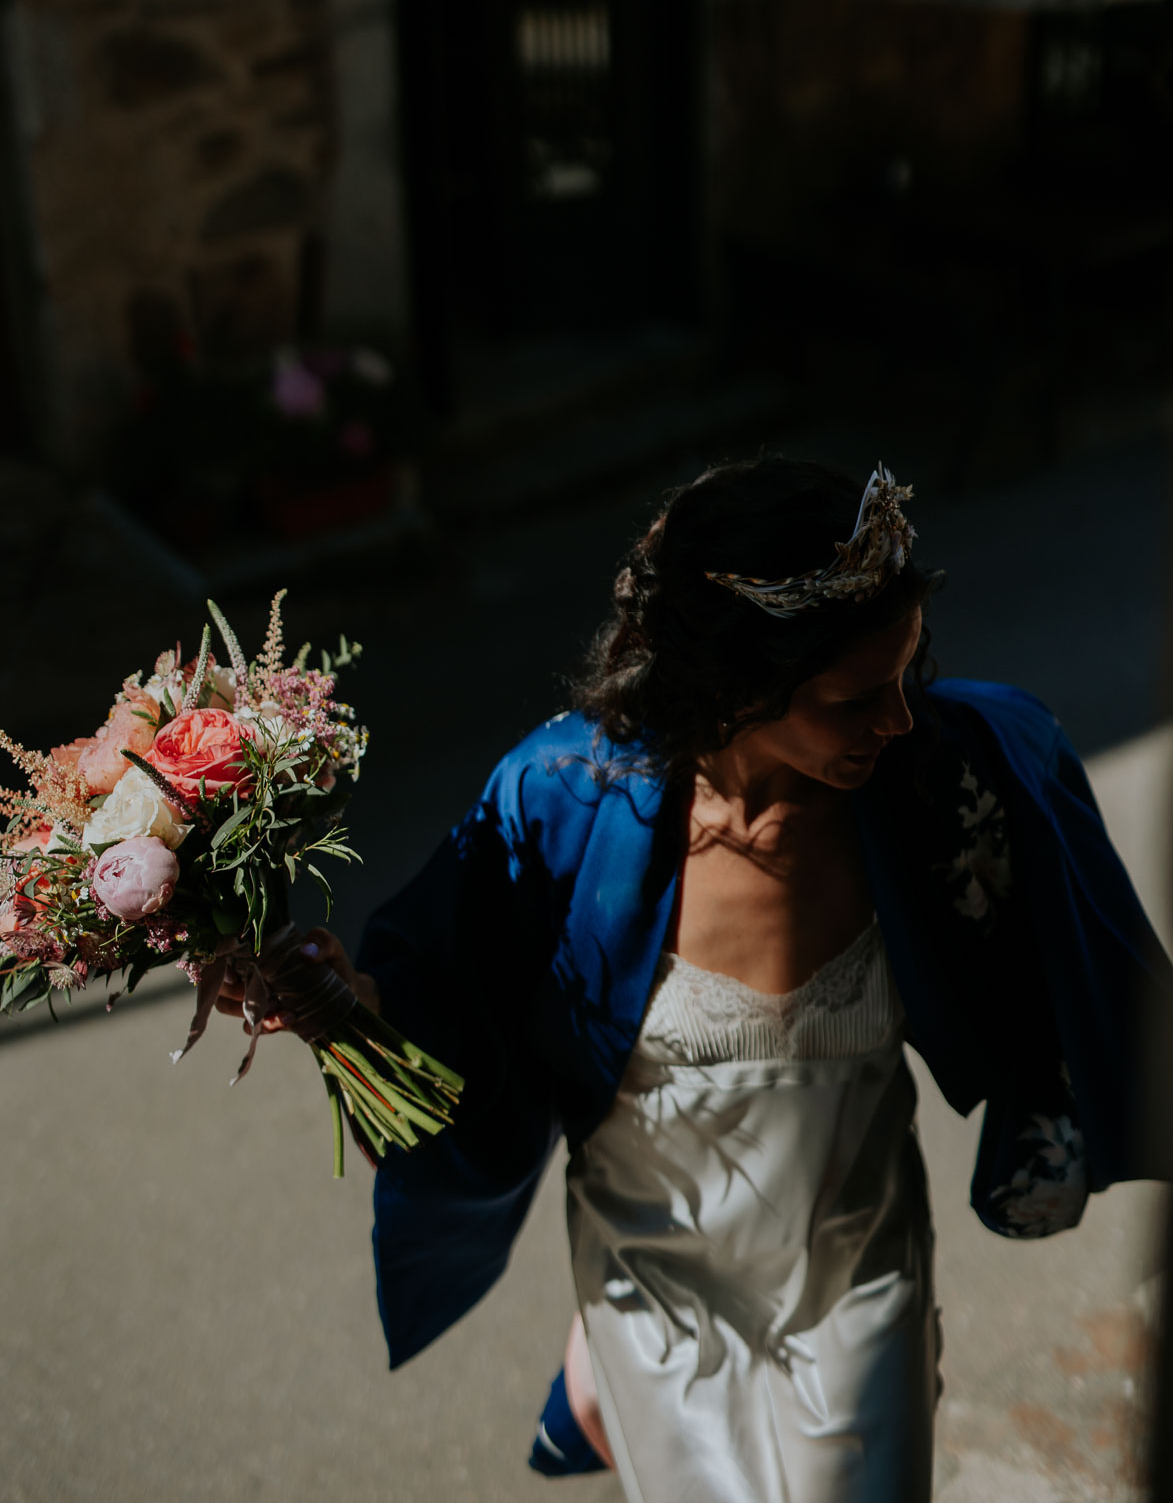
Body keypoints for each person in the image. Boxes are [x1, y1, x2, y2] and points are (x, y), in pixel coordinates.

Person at [218, 455, 1173, 1502]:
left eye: (910, 673)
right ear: (739, 684)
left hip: (861, 1271)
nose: (897, 718)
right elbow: (443, 1002)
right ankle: (601, 1363)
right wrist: (336, 1001)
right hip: (652, 1279)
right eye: (855, 699)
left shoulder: (950, 774)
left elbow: (1086, 949)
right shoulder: (558, 800)